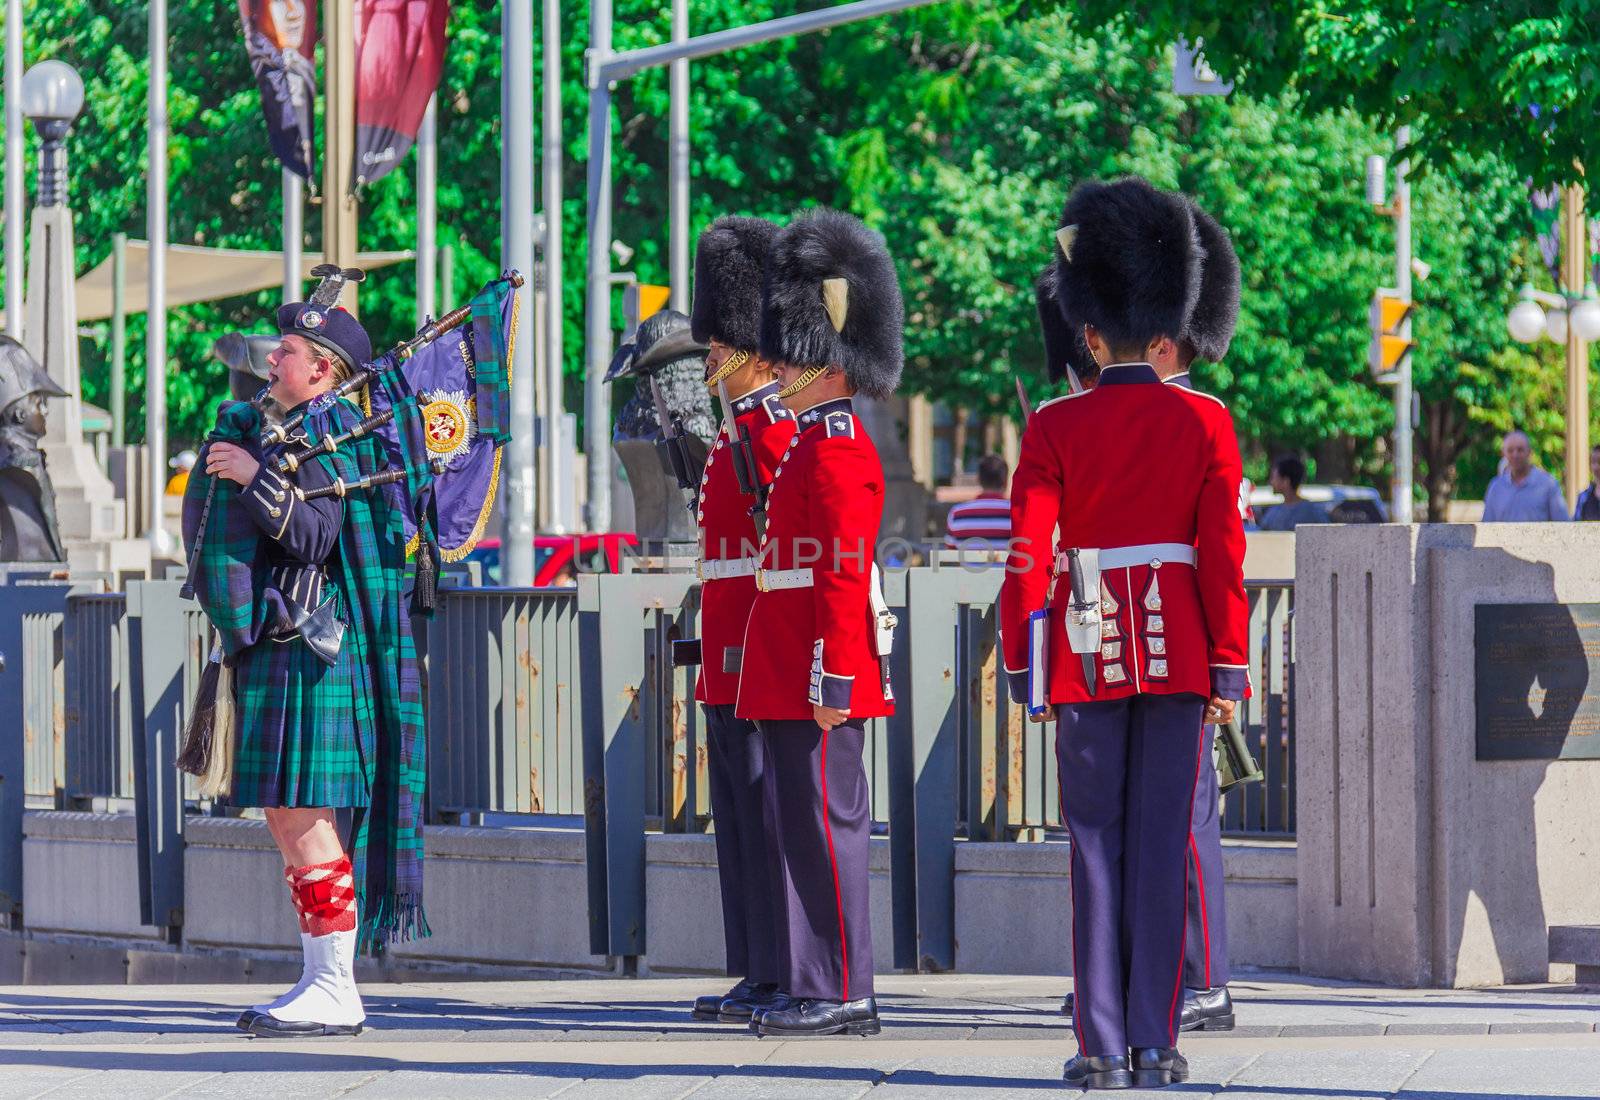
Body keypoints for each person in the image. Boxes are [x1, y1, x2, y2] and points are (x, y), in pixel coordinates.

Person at [1001, 177, 1249, 1090]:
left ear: (1090, 333)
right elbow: (1222, 557)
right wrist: (1228, 668)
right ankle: (1157, 1040)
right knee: (1158, 848)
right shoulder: (1208, 421)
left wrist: (1030, 668)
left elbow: (1028, 563)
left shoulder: (1057, 425)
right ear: (1164, 327)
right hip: (1182, 653)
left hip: (1085, 651)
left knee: (1093, 850)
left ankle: (1100, 1044)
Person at [182, 287, 426, 1038]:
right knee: (289, 817)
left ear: (321, 370)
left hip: (317, 650)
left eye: (286, 350)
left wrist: (252, 478)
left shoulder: (338, 434)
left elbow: (319, 535)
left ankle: (335, 985)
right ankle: (320, 976)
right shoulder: (290, 426)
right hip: (284, 649)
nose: (273, 356)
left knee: (311, 817)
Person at [736, 207, 901, 1038]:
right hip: (790, 660)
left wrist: (834, 676)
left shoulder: (836, 449)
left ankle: (845, 987)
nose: (780, 365)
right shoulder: (807, 442)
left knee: (826, 832)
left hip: (819, 672)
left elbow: (840, 573)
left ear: (827, 362)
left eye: (796, 353)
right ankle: (815, 981)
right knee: (798, 830)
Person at [683, 215, 796, 1025]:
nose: (709, 357)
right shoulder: (730, 438)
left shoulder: (774, 430)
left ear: (756, 349)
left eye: (720, 345)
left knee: (768, 817)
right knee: (738, 822)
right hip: (725, 646)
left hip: (759, 647)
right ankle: (756, 966)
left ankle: (784, 966)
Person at [1482, 430, 1566, 522]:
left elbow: (1563, 524)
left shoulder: (1548, 485)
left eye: (1520, 450)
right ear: (1504, 454)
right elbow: (1486, 526)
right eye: (1510, 451)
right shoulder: (1496, 487)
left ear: (1529, 452)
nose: (1515, 455)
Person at [945, 454, 1012, 550]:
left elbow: (951, 549)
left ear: (978, 480)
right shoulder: (1018, 514)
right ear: (1006, 482)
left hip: (968, 565)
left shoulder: (957, 514)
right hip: (1006, 566)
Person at [1256, 454, 1329, 531]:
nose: (1270, 482)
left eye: (1273, 477)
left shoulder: (1313, 512)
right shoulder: (1272, 512)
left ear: (1286, 481)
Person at [1573, 444, 1600, 520]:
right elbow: (1576, 525)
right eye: (1593, 462)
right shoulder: (1583, 497)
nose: (1596, 467)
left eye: (1599, 461)